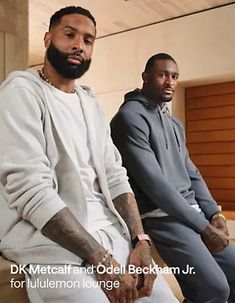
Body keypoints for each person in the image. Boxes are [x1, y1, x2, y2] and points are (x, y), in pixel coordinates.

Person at [0, 7, 178, 303]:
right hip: (51, 244)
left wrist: (140, 240)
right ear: (48, 38)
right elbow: (32, 190)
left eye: (88, 40)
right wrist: (100, 260)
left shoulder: (89, 101)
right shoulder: (20, 92)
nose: (78, 45)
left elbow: (115, 174)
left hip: (111, 234)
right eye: (69, 34)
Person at [110, 53, 235, 303]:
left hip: (192, 214)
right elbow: (157, 187)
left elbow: (192, 174)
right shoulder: (129, 118)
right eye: (162, 74)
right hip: (161, 217)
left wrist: (215, 215)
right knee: (214, 289)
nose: (170, 81)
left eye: (174, 76)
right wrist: (203, 227)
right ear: (145, 77)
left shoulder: (174, 124)